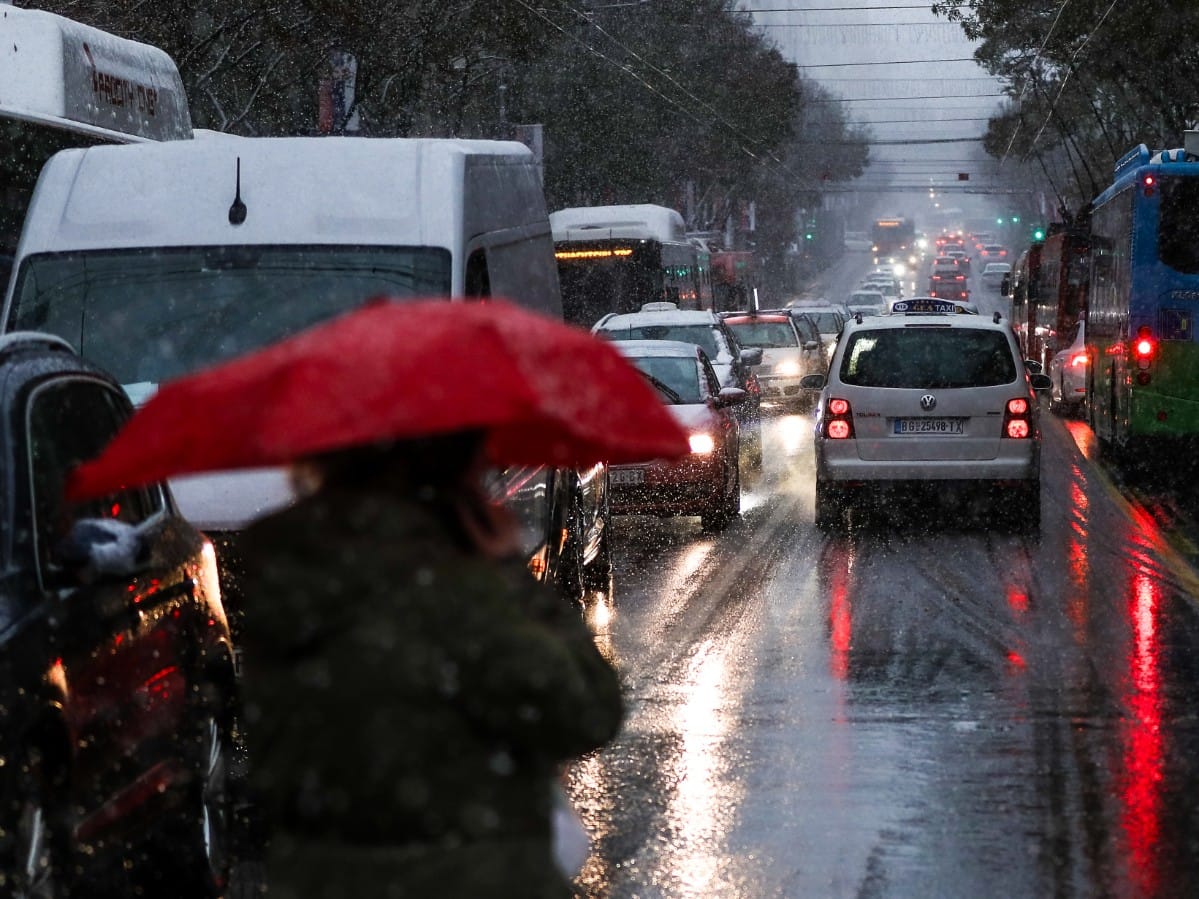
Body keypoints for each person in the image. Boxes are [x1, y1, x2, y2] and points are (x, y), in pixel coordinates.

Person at [236, 431, 625, 898]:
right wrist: (507, 572)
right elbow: (587, 709)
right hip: (478, 876)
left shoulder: (287, 562)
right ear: (451, 466)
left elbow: (272, 750)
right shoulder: (451, 574)